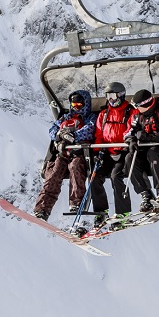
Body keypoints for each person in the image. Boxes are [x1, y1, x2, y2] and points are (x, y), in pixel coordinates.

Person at [32, 90, 96, 222]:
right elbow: (53, 129)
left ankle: (76, 203)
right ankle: (42, 209)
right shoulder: (66, 117)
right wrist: (59, 134)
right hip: (63, 153)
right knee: (54, 174)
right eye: (74, 105)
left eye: (79, 105)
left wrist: (74, 136)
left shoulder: (90, 117)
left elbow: (90, 130)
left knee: (75, 168)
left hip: (79, 153)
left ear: (85, 104)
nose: (76, 108)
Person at [124, 88, 159, 213]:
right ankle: (146, 194)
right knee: (129, 158)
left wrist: (149, 137)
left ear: (145, 104)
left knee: (154, 153)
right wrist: (131, 140)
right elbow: (128, 130)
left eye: (137, 106)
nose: (135, 109)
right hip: (144, 147)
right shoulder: (137, 114)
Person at [88, 81, 132, 231]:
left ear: (121, 95)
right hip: (107, 152)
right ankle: (101, 211)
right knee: (94, 176)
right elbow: (99, 134)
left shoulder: (130, 112)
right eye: (108, 96)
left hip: (124, 152)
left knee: (116, 177)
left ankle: (122, 213)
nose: (111, 99)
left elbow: (131, 130)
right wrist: (98, 152)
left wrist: (128, 143)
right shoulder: (103, 114)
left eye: (114, 96)